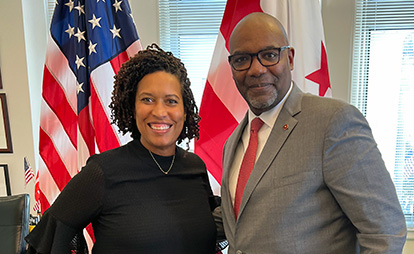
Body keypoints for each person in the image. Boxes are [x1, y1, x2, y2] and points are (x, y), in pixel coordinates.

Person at [220, 12, 407, 253]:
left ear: (290, 58)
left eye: (269, 55)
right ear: (232, 67)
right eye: (242, 59)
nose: (256, 69)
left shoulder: (334, 121)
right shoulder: (233, 142)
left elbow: (385, 233)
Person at [25, 44, 224, 254]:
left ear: (184, 112)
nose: (160, 111)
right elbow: (49, 239)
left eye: (171, 101)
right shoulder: (102, 172)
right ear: (132, 108)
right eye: (147, 99)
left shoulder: (195, 167)